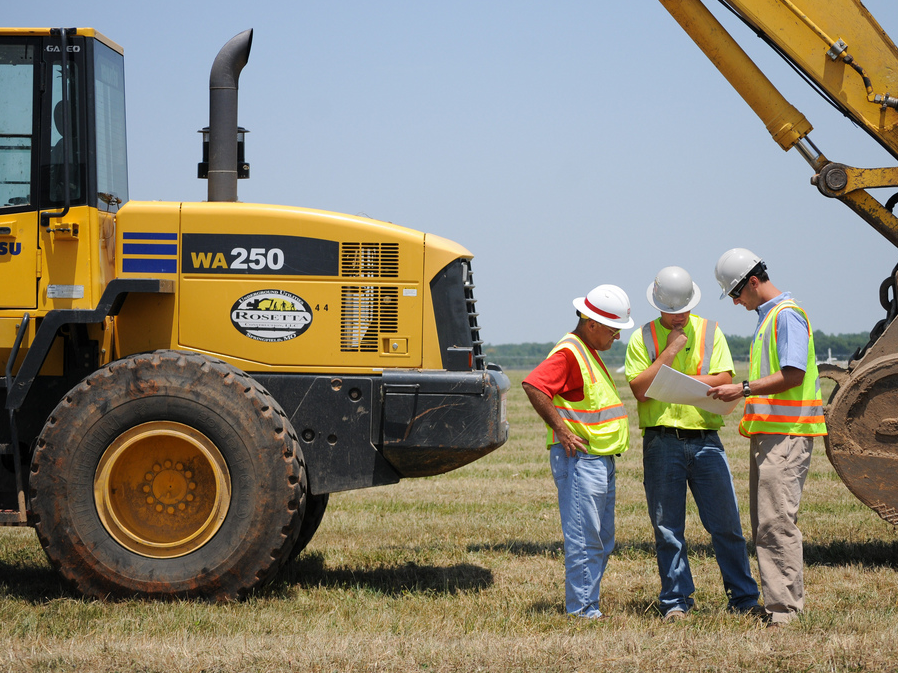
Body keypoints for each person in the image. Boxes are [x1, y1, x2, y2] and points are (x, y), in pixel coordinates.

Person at [625, 266, 761, 622]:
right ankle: (676, 602)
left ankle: (744, 599)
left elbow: (724, 378)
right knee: (668, 529)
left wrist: (673, 379)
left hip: (706, 441)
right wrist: (670, 352)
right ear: (659, 307)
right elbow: (639, 389)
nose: (680, 317)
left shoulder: (711, 330)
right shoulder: (643, 338)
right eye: (673, 312)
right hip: (661, 442)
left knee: (727, 525)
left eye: (685, 310)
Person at [708, 248, 827, 627]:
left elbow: (793, 374)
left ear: (753, 283)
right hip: (772, 435)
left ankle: (784, 614)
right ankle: (779, 605)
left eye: (735, 293)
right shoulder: (769, 317)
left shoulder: (785, 315)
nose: (734, 301)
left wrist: (742, 389)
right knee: (767, 522)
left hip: (787, 435)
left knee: (776, 523)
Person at [522, 284, 633, 620]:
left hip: (597, 459)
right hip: (580, 460)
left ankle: (587, 604)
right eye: (613, 330)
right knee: (585, 539)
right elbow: (534, 385)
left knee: (599, 538)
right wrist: (561, 429)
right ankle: (583, 610)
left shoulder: (588, 351)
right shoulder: (570, 352)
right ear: (592, 324)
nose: (616, 337)